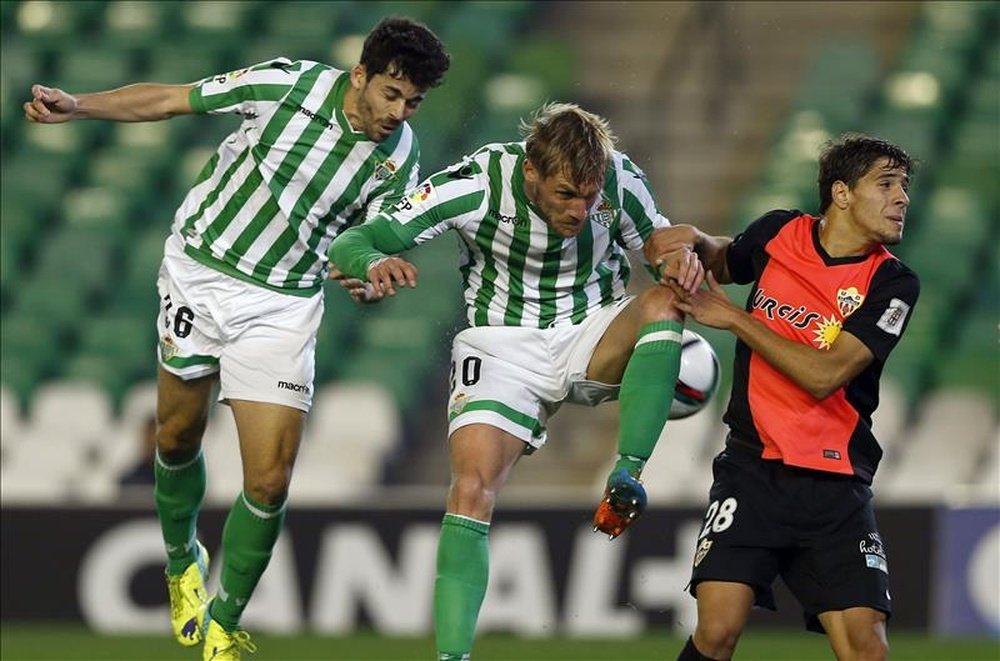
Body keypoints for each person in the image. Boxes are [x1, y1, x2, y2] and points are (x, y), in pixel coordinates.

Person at [24, 17, 449, 661]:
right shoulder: (285, 86)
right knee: (175, 435)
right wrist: (80, 106)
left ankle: (223, 624)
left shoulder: (400, 157)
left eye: (413, 102)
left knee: (271, 479)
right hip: (200, 274)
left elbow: (354, 247)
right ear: (359, 75)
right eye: (391, 93)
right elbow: (171, 99)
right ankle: (179, 562)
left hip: (283, 305)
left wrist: (366, 276)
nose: (399, 112)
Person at [329, 102, 704, 660]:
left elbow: (657, 245)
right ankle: (452, 657)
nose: (581, 210)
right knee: (471, 489)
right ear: (531, 171)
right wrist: (370, 265)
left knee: (662, 303)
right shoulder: (475, 183)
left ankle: (627, 475)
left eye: (590, 196)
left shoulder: (622, 177)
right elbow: (354, 242)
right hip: (501, 345)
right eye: (566, 195)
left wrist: (679, 260)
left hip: (592, 329)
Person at [668, 133, 919, 661]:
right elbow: (719, 259)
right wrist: (682, 242)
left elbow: (825, 374)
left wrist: (735, 318)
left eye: (905, 187)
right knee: (715, 631)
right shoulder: (778, 232)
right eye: (888, 184)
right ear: (842, 193)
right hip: (751, 470)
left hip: (835, 486)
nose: (902, 198)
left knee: (866, 647)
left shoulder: (892, 283)